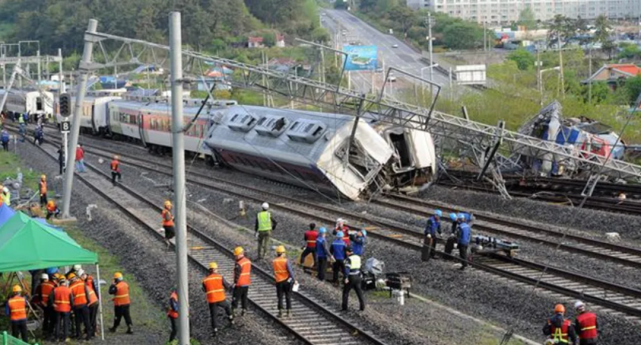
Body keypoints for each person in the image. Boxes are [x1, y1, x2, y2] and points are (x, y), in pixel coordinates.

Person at [202, 262, 233, 337]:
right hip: (220, 298)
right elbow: (227, 286)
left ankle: (215, 330)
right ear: (215, 269)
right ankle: (231, 318)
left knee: (213, 315)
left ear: (209, 270)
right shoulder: (220, 277)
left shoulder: (205, 280)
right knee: (227, 306)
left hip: (212, 300)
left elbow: (205, 290)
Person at [272, 245, 295, 317]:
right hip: (287, 280)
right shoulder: (286, 261)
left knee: (280, 296)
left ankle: (280, 312)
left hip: (279, 281)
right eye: (284, 252)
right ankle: (289, 311)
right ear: (282, 253)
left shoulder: (274, 261)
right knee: (288, 295)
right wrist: (293, 279)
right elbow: (290, 271)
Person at [69, 273, 92, 340]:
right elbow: (87, 293)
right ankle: (89, 335)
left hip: (76, 306)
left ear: (70, 280)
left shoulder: (70, 287)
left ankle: (79, 335)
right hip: (84, 304)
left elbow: (71, 299)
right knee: (87, 320)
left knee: (77, 321)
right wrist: (88, 301)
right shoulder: (82, 283)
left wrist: (72, 307)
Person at [342, 246, 365, 311]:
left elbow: (347, 269)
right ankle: (362, 307)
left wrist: (346, 278)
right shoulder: (358, 257)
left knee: (345, 292)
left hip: (351, 277)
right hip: (358, 277)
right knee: (359, 292)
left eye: (346, 252)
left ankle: (344, 307)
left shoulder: (348, 259)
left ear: (347, 252)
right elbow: (360, 267)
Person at [51, 278, 73, 342]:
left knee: (57, 323)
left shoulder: (55, 289)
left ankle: (56, 338)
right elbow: (71, 300)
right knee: (65, 323)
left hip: (57, 309)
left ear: (59, 284)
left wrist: (53, 304)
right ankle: (65, 337)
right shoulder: (69, 290)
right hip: (66, 309)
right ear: (65, 284)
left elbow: (50, 298)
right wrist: (72, 308)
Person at [79, 270, 99, 337]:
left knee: (91, 318)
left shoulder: (90, 280)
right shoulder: (85, 282)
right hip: (92, 301)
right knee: (91, 317)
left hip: (92, 301)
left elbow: (95, 289)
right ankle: (90, 330)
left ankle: (92, 331)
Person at [232, 246, 251, 316]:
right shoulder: (248, 261)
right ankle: (244, 309)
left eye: (236, 255)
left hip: (239, 284)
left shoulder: (239, 263)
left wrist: (235, 283)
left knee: (235, 297)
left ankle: (233, 310)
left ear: (240, 254)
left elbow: (237, 275)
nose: (235, 257)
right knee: (244, 297)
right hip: (246, 283)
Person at [36, 273, 56, 338]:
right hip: (51, 304)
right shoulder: (52, 285)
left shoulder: (40, 286)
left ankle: (45, 331)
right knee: (52, 318)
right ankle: (51, 331)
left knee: (46, 318)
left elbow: (37, 296)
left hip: (43, 305)